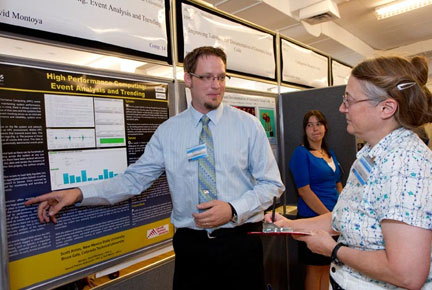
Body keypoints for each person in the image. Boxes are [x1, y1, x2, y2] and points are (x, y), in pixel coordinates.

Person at [25, 46, 284, 290]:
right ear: (188, 79)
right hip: (191, 248)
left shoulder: (248, 126)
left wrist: (232, 209)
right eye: (206, 77)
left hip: (240, 244)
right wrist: (78, 193)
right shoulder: (168, 132)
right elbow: (133, 180)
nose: (216, 85)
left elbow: (273, 185)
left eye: (221, 77)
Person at [266, 55, 432, 289]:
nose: (342, 108)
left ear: (386, 107)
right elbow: (345, 218)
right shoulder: (371, 154)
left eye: (349, 100)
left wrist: (333, 249)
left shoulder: (404, 163)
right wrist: (287, 225)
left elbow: (407, 273)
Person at [290, 110, 343, 290]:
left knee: (329, 268)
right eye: (309, 125)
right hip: (314, 220)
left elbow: (338, 183)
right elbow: (304, 191)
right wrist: (329, 216)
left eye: (318, 124)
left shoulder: (329, 153)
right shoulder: (301, 153)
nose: (315, 129)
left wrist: (342, 209)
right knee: (315, 269)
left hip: (334, 220)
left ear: (325, 127)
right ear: (305, 130)